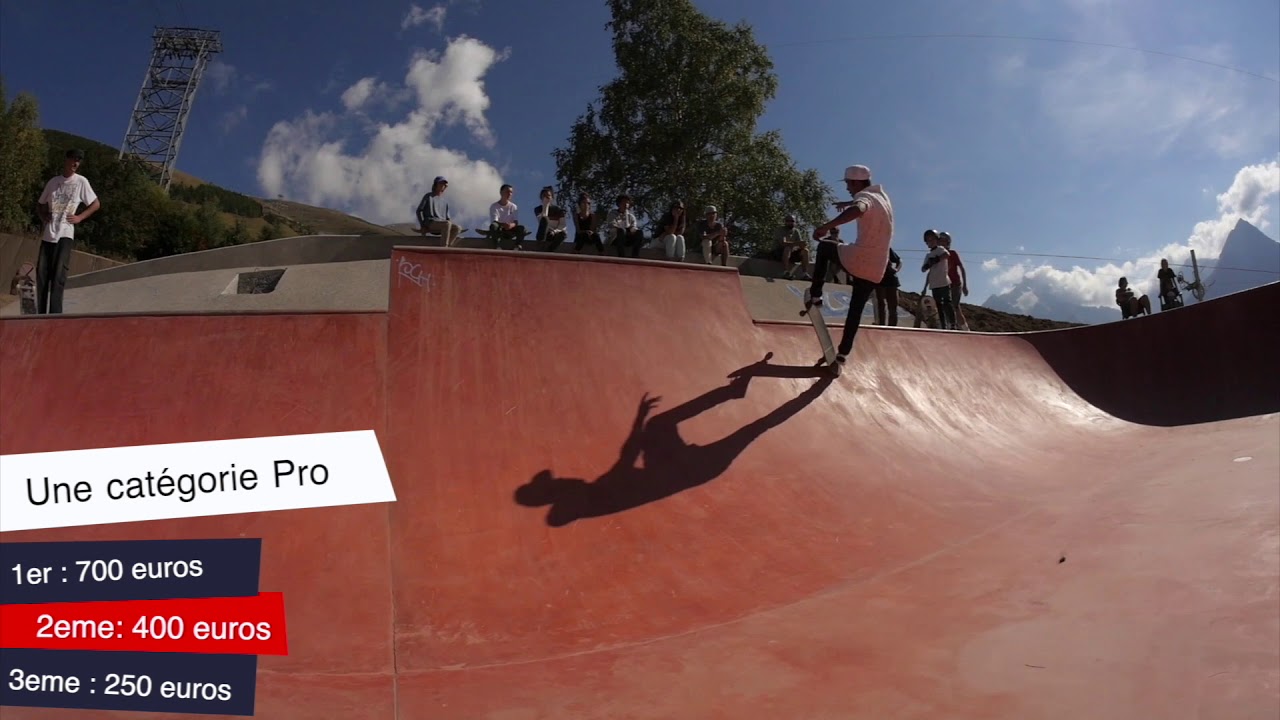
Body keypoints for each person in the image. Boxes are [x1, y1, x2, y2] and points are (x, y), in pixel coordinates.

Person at [805, 164, 894, 367]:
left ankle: (816, 294)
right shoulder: (882, 197)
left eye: (848, 184)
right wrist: (848, 202)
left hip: (861, 258)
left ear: (855, 182)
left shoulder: (865, 199)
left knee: (826, 246)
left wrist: (826, 226)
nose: (847, 188)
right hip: (877, 269)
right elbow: (863, 203)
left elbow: (860, 207)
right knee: (856, 310)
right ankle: (842, 355)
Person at [36, 149, 100, 314]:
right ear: (66, 160)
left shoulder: (81, 182)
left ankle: (55, 314)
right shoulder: (53, 182)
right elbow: (40, 203)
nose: (75, 163)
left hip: (65, 234)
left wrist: (80, 217)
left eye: (78, 161)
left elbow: (95, 204)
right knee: (43, 275)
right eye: (73, 159)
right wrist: (44, 216)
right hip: (48, 234)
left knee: (58, 275)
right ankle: (40, 312)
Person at [921, 230, 956, 330]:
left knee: (947, 303)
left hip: (944, 281)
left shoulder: (940, 249)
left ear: (937, 240)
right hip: (934, 284)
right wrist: (928, 264)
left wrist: (937, 259)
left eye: (933, 240)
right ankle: (943, 325)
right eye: (928, 241)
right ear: (926, 243)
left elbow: (947, 255)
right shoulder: (928, 256)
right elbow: (923, 269)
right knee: (938, 305)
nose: (931, 242)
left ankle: (952, 323)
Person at [415, 176, 461, 246]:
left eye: (444, 185)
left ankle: (448, 245)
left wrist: (451, 228)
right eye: (441, 183)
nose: (443, 186)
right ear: (436, 184)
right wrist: (422, 225)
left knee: (457, 228)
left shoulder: (445, 202)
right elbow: (419, 211)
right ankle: (443, 248)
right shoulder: (428, 196)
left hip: (442, 224)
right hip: (431, 222)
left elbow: (448, 218)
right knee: (447, 224)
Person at [939, 231, 969, 330]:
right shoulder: (939, 256)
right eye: (940, 241)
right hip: (945, 285)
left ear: (948, 242)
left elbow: (962, 268)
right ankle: (963, 328)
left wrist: (965, 285)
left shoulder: (952, 253)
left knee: (954, 306)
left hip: (956, 284)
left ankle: (956, 327)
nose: (942, 243)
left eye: (944, 241)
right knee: (952, 307)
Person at [487, 184, 526, 250]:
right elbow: (495, 221)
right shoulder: (494, 206)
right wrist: (503, 225)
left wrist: (511, 225)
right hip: (500, 229)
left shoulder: (513, 206)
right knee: (493, 226)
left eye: (511, 192)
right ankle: (497, 246)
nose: (510, 194)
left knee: (522, 228)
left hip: (510, 229)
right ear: (501, 192)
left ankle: (517, 245)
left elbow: (516, 221)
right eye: (507, 192)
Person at [534, 186, 569, 252]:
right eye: (544, 196)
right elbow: (542, 220)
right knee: (545, 219)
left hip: (554, 233)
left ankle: (550, 250)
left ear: (552, 197)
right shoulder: (538, 209)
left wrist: (554, 231)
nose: (546, 197)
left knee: (563, 234)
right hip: (544, 234)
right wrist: (545, 206)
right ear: (541, 197)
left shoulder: (559, 210)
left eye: (548, 196)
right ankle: (541, 245)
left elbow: (563, 225)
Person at [874, 246, 902, 325]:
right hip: (879, 279)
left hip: (891, 279)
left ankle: (892, 328)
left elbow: (899, 260)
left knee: (893, 307)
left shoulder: (886, 247)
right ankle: (881, 326)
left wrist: (896, 269)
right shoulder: (870, 249)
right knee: (881, 305)